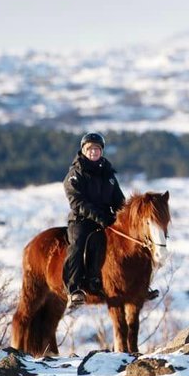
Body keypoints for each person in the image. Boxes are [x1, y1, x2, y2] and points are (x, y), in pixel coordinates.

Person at [63, 131, 126, 311]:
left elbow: (119, 201)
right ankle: (74, 288)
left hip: (106, 219)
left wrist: (126, 216)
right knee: (78, 244)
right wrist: (99, 216)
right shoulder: (76, 174)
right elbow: (77, 201)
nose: (93, 152)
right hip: (81, 220)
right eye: (90, 149)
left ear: (101, 151)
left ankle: (132, 284)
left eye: (97, 149)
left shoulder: (109, 175)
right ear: (83, 150)